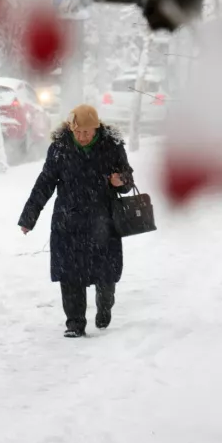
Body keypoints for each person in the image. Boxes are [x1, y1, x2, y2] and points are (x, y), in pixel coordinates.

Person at [18, 104, 134, 338]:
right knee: (70, 274)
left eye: (87, 132)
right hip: (68, 222)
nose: (81, 136)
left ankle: (105, 304)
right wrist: (29, 217)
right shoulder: (60, 148)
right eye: (77, 131)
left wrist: (120, 180)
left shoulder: (112, 146)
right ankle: (74, 323)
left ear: (97, 129)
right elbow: (45, 183)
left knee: (105, 273)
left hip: (104, 221)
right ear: (70, 128)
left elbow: (128, 179)